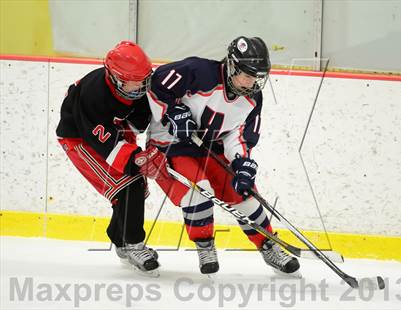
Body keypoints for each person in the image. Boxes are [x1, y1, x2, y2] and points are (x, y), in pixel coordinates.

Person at [146, 36, 300, 275]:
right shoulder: (198, 72)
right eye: (247, 75)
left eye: (257, 77)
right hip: (171, 143)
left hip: (210, 146)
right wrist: (172, 111)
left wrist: (242, 161)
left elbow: (237, 134)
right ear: (231, 66)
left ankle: (268, 245)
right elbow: (157, 84)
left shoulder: (252, 98)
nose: (252, 83)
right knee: (199, 190)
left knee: (243, 191)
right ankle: (205, 245)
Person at [56, 41, 167, 275]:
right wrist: (135, 158)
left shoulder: (140, 85)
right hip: (80, 138)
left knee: (135, 186)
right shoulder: (93, 94)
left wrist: (146, 152)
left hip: (112, 130)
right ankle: (133, 244)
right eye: (131, 81)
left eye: (142, 79)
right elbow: (100, 139)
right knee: (129, 184)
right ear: (114, 76)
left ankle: (121, 241)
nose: (139, 86)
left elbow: (136, 122)